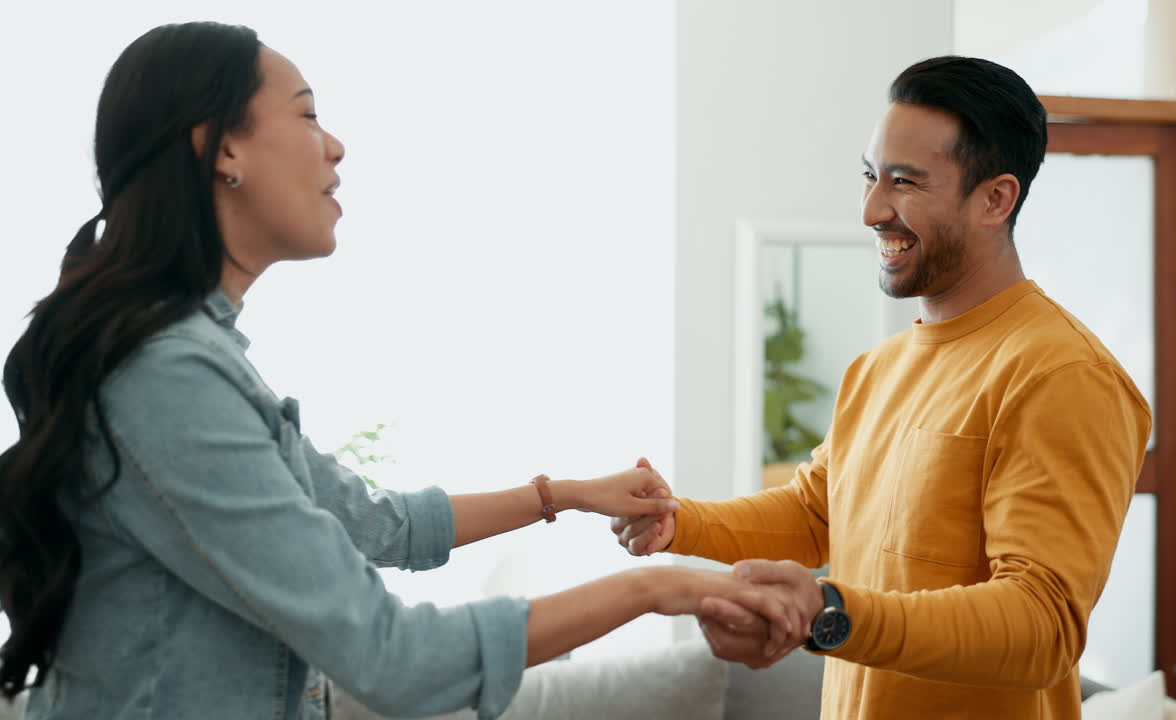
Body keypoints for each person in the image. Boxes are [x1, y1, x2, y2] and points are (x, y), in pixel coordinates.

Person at [0, 22, 806, 720]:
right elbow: (393, 657)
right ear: (224, 148)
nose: (336, 146)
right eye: (307, 114)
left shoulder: (193, 363)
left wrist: (562, 496)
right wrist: (659, 590)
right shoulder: (171, 379)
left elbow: (374, 524)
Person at [612, 56, 1152, 719]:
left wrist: (832, 612)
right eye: (871, 176)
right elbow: (816, 514)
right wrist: (675, 520)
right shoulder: (878, 369)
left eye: (905, 182)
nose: (871, 210)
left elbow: (1043, 625)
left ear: (995, 199)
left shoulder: (1061, 374)